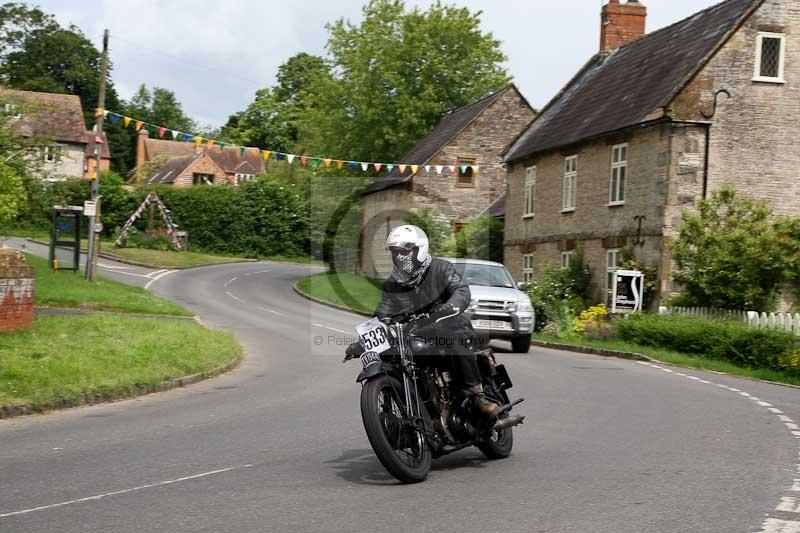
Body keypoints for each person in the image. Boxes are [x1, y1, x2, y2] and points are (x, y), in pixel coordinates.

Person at [373, 224, 501, 421]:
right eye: (395, 252)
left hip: (448, 324)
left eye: (405, 251)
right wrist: (367, 335)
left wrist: (450, 306)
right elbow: (383, 311)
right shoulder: (393, 284)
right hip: (417, 333)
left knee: (452, 338)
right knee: (390, 352)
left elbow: (460, 290)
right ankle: (402, 408)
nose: (400, 256)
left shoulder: (441, 268)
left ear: (420, 248)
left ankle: (477, 397)